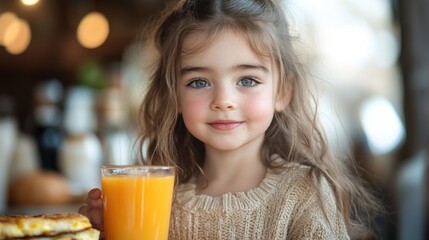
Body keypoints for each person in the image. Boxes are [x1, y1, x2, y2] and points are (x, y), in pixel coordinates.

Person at [79, 0, 381, 238]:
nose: (223, 101)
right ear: (175, 96)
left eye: (247, 80)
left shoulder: (302, 193)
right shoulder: (158, 201)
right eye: (199, 82)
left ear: (283, 91)